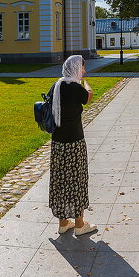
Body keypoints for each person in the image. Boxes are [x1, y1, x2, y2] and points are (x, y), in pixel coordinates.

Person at [49, 54, 97, 236]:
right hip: (75, 143)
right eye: (82, 67)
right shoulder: (77, 88)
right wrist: (86, 84)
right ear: (76, 68)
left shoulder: (57, 85)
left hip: (57, 143)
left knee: (61, 181)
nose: (84, 71)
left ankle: (63, 223)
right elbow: (89, 97)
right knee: (77, 180)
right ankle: (79, 224)